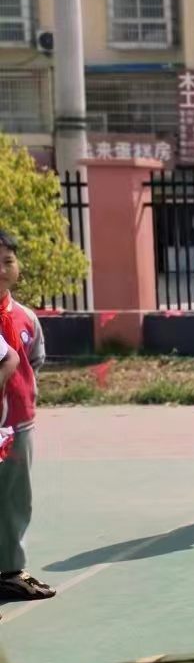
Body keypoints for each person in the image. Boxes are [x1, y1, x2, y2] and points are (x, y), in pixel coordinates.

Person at [0, 229, 51, 602]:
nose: (1, 270)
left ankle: (9, 570)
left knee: (15, 498)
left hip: (18, 424)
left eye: (7, 261)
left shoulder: (26, 318)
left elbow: (34, 362)